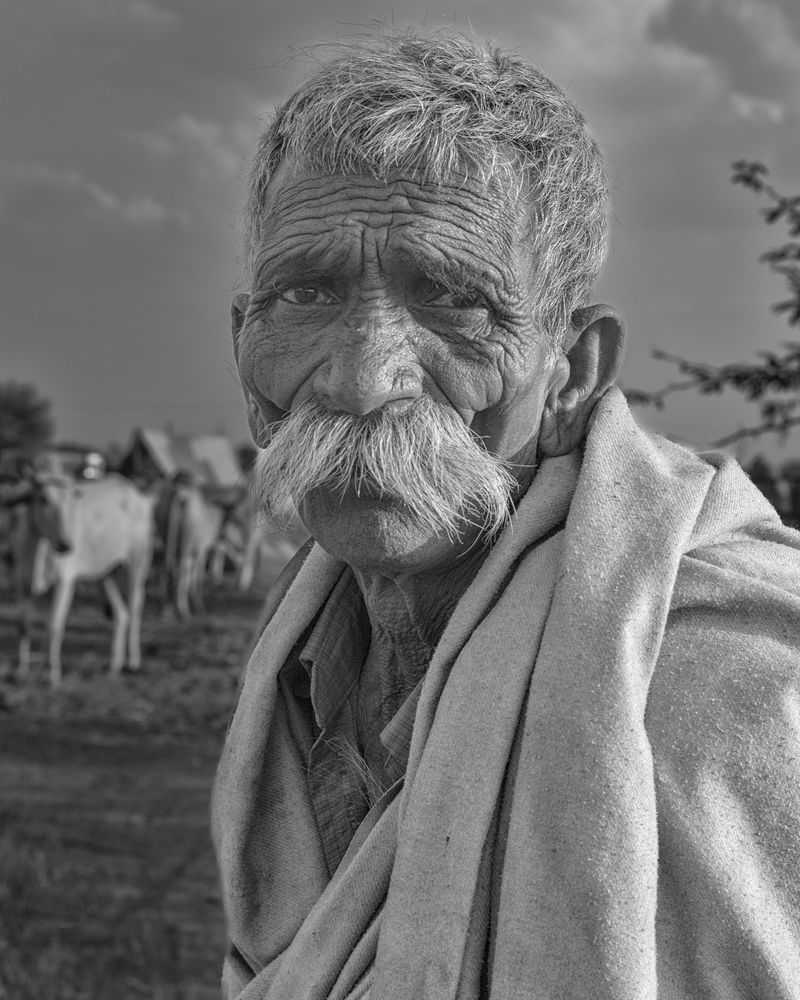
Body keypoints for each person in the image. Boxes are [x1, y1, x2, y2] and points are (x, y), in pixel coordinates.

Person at [211, 28, 800, 1000]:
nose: (361, 379)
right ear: (244, 346)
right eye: (305, 292)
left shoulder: (727, 684)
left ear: (574, 370)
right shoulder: (302, 657)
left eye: (451, 300)